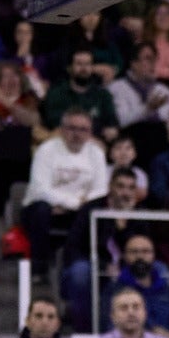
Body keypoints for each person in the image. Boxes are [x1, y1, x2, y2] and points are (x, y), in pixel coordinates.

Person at [21, 110, 110, 276]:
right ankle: (39, 269)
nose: (77, 134)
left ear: (90, 133)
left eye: (83, 129)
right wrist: (75, 203)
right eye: (72, 128)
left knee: (98, 211)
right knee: (41, 209)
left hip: (78, 211)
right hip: (43, 209)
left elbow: (101, 189)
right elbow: (40, 189)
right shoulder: (46, 150)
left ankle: (84, 263)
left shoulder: (96, 154)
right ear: (62, 129)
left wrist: (74, 206)